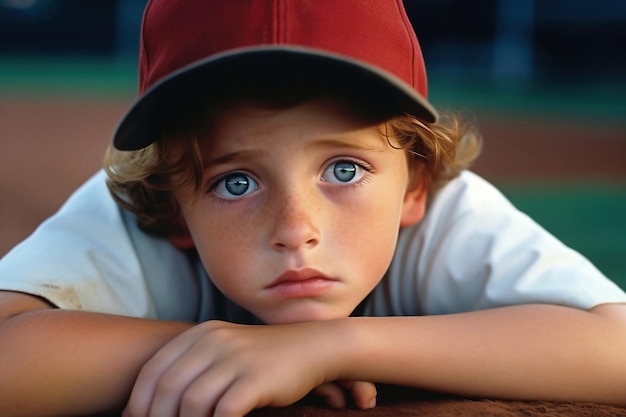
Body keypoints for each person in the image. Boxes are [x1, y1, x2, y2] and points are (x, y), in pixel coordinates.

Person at [1, 1, 626, 416]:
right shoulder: (130, 212)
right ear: (171, 206)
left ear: (414, 186)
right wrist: (225, 345)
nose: (296, 230)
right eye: (237, 183)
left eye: (344, 171)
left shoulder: (447, 216)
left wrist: (331, 346)